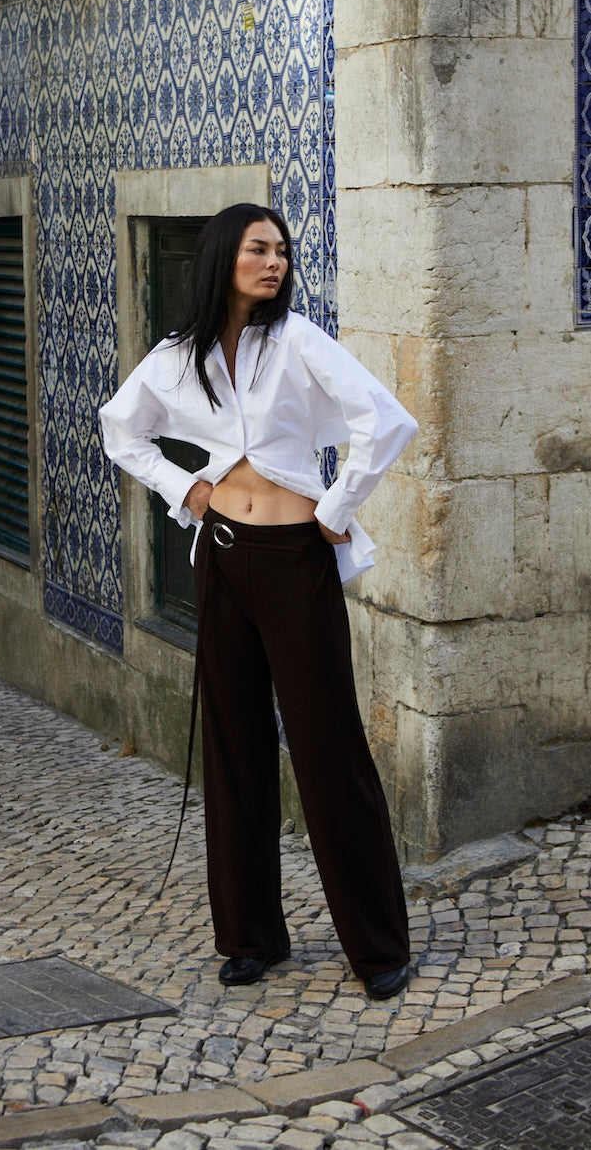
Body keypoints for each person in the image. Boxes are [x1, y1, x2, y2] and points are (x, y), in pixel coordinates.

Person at [99, 203, 417, 1000]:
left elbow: (384, 420)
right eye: (257, 249)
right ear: (222, 258)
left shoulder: (298, 341)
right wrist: (186, 487)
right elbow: (120, 429)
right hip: (223, 558)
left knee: (326, 748)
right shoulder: (180, 356)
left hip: (293, 560)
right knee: (233, 749)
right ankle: (249, 936)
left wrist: (336, 507)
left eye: (280, 250)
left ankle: (378, 948)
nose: (273, 262)